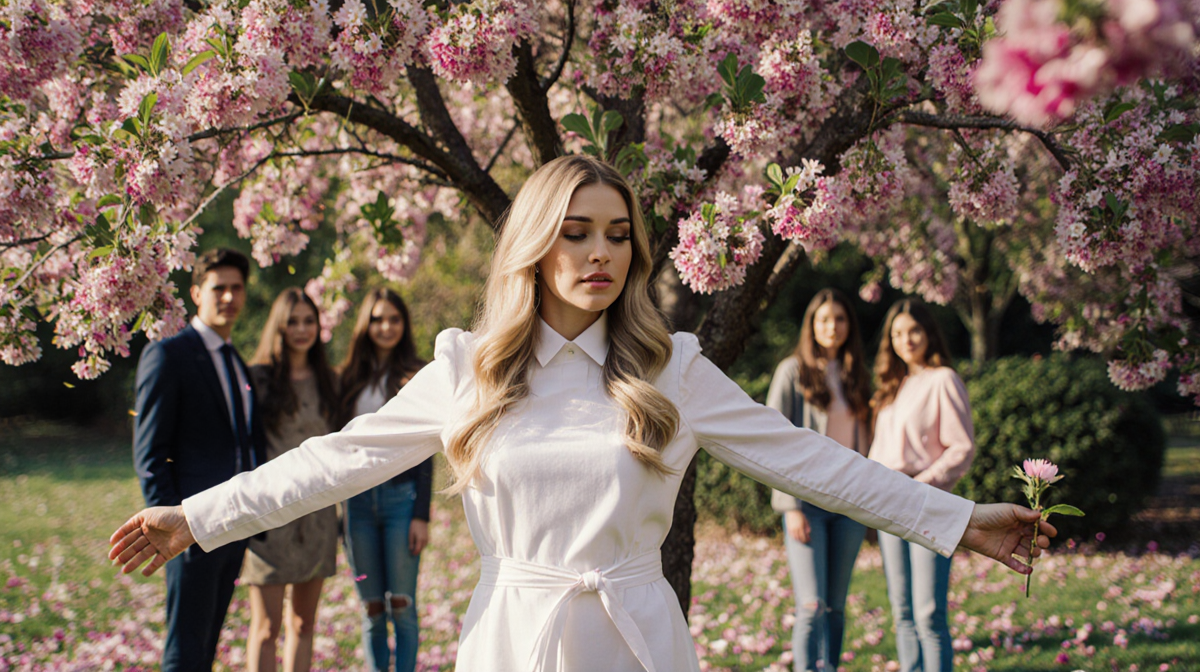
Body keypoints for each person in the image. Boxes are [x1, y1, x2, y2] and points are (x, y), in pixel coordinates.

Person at [111, 156, 1053, 672]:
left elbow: (813, 463)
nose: (601, 253)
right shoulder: (467, 368)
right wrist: (197, 516)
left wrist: (956, 520)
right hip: (511, 639)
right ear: (535, 242)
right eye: (575, 233)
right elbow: (334, 461)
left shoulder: (673, 369)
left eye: (617, 235)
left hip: (639, 640)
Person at [130, 248, 266, 672]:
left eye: (236, 288)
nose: (229, 297)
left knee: (206, 646)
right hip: (188, 527)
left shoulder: (236, 360)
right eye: (218, 288)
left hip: (234, 523)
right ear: (195, 293)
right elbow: (149, 453)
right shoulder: (168, 354)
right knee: (185, 651)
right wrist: (172, 521)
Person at [868, 299, 976, 672]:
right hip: (889, 504)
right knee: (902, 610)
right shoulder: (892, 387)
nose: (906, 340)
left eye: (913, 330)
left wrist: (920, 485)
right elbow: (880, 451)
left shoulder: (943, 380)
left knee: (929, 613)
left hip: (927, 504)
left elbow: (961, 448)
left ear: (928, 332)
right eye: (897, 333)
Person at [768, 289, 873, 671]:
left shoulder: (857, 375)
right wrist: (790, 507)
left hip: (849, 506)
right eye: (824, 319)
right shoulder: (792, 371)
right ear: (811, 325)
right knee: (811, 605)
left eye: (840, 319)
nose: (832, 326)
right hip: (807, 505)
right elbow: (771, 441)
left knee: (836, 607)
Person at [242, 288, 341, 672]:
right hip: (269, 517)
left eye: (309, 321)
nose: (301, 330)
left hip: (317, 518)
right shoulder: (257, 379)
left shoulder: (330, 381)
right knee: (266, 628)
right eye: (293, 322)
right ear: (279, 327)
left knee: (303, 623)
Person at [336, 288, 432, 672]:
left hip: (401, 502)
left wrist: (421, 514)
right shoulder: (348, 379)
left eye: (394, 318)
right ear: (365, 324)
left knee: (402, 605)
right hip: (356, 505)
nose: (386, 326)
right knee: (372, 608)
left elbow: (426, 449)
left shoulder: (419, 375)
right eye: (377, 319)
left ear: (404, 323)